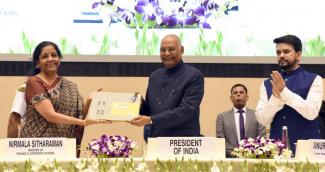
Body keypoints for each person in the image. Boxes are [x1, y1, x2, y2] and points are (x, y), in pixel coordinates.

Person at [20, 41, 109, 139]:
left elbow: (78, 117)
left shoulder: (70, 86)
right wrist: (83, 123)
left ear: (59, 59)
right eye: (45, 56)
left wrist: (89, 100)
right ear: (37, 63)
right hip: (37, 147)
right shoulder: (34, 82)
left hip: (63, 147)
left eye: (54, 55)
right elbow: (50, 116)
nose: (50, 59)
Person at [255, 35, 323, 153]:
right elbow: (262, 119)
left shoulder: (314, 79)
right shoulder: (267, 83)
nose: (281, 55)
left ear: (298, 55)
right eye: (278, 52)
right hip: (276, 149)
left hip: (306, 149)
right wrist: (275, 99)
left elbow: (311, 112)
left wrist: (284, 93)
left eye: (286, 51)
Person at [130, 34, 204, 141]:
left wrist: (151, 119)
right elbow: (150, 110)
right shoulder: (154, 76)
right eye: (162, 50)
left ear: (181, 50)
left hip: (182, 142)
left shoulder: (194, 76)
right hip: (156, 139)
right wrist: (139, 103)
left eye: (171, 49)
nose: (167, 54)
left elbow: (186, 110)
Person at [216, 84, 266, 157]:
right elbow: (220, 141)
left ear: (247, 97)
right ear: (231, 98)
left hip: (253, 158)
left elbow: (262, 138)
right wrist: (236, 153)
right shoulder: (222, 117)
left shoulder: (257, 115)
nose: (238, 94)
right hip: (230, 160)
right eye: (235, 93)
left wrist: (250, 153)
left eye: (241, 92)